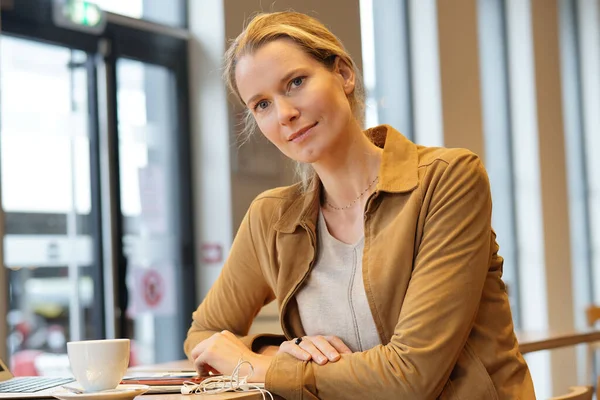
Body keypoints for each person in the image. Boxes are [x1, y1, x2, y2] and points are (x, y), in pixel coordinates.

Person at [184, 11, 535, 400]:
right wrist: (270, 350)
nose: (284, 114)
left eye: (295, 82)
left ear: (344, 74)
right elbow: (204, 336)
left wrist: (267, 369)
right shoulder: (271, 218)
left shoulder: (446, 179)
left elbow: (413, 377)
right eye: (261, 105)